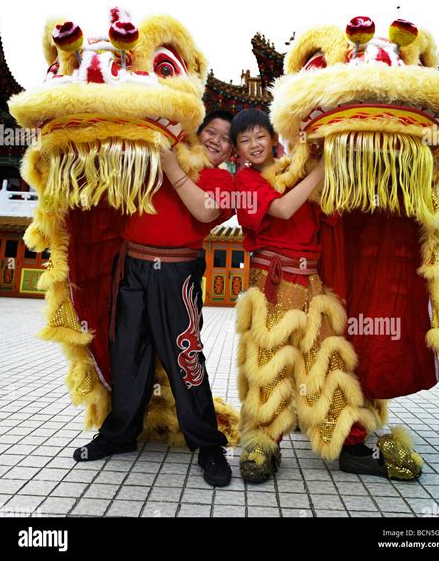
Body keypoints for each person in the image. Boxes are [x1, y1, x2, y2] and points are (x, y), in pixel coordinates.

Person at [73, 111, 235, 488]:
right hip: (132, 267)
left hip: (178, 274)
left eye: (225, 138)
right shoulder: (159, 156)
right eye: (209, 131)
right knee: (128, 354)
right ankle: (119, 435)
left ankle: (208, 444)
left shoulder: (221, 179)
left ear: (231, 150)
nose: (215, 140)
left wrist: (171, 165)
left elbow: (205, 210)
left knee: (185, 357)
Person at [232, 108, 373, 483]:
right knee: (270, 365)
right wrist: (320, 169)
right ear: (238, 150)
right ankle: (262, 443)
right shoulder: (245, 180)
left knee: (327, 362)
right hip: (274, 283)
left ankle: (348, 441)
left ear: (273, 136)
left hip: (313, 283)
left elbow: (334, 212)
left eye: (259, 136)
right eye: (244, 141)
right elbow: (281, 208)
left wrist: (335, 158)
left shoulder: (293, 171)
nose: (254, 145)